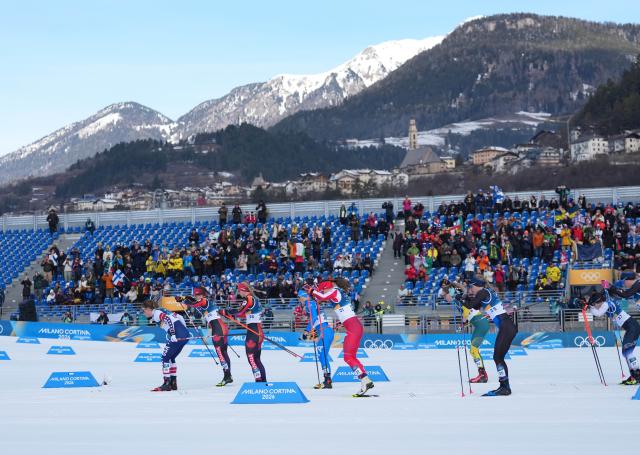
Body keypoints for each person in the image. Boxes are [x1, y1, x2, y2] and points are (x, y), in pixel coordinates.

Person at [312, 277, 374, 396]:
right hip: (353, 326)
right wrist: (343, 322)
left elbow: (322, 297)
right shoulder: (337, 293)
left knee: (348, 357)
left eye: (323, 290)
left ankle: (364, 380)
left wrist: (311, 291)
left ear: (327, 288)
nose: (323, 293)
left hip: (354, 328)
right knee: (351, 357)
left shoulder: (335, 291)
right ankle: (365, 380)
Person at [465, 277, 517, 396]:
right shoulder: (484, 295)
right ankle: (504, 386)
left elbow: (470, 305)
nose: (471, 289)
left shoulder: (483, 292)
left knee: (497, 357)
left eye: (471, 287)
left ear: (477, 285)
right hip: (507, 327)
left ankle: (505, 387)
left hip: (506, 328)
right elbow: (474, 306)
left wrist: (460, 299)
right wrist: (463, 299)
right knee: (498, 357)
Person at [177, 291, 233, 387]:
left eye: (199, 295)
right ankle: (228, 375)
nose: (197, 296)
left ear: (203, 295)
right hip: (220, 328)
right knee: (223, 353)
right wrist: (185, 302)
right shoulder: (202, 304)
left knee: (220, 353)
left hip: (219, 329)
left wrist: (183, 301)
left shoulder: (204, 301)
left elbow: (194, 303)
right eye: (196, 295)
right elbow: (196, 306)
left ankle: (227, 376)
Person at [589, 280, 640, 385]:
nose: (595, 306)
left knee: (627, 351)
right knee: (626, 352)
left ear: (599, 301)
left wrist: (591, 307)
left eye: (595, 304)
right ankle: (633, 376)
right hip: (631, 327)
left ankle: (637, 376)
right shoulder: (607, 302)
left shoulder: (607, 304)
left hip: (632, 327)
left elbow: (598, 313)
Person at [142, 300, 189, 391]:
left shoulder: (157, 313)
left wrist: (174, 334)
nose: (144, 313)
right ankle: (173, 383)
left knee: (165, 358)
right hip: (183, 335)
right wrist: (184, 330)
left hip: (178, 335)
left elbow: (168, 319)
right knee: (171, 358)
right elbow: (178, 316)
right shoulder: (159, 312)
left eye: (144, 311)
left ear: (148, 309)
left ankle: (166, 383)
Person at [299, 289, 335, 389]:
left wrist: (306, 331)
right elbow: (315, 319)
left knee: (322, 355)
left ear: (304, 296)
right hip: (324, 331)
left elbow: (314, 318)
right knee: (323, 356)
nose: (299, 300)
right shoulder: (312, 303)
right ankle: (327, 380)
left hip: (324, 331)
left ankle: (327, 381)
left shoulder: (309, 303)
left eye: (300, 297)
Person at [230, 282, 266, 382]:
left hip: (253, 332)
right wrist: (235, 315)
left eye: (239, 290)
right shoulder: (255, 299)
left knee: (251, 358)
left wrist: (227, 312)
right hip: (258, 331)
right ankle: (263, 382)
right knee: (257, 359)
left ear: (243, 290)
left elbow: (239, 311)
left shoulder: (249, 299)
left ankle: (259, 382)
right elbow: (245, 314)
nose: (239, 293)